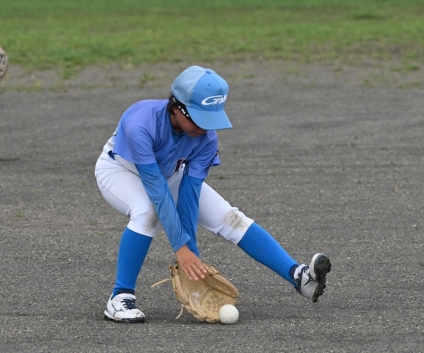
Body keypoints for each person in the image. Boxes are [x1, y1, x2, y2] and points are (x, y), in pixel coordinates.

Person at [95, 66, 332, 323]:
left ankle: (299, 277)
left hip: (169, 174)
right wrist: (180, 248)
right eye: (199, 118)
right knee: (147, 211)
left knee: (230, 218)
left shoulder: (206, 139)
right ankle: (120, 297)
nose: (205, 127)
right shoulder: (141, 122)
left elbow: (189, 196)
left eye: (210, 119)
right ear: (177, 107)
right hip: (120, 170)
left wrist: (191, 256)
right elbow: (158, 192)